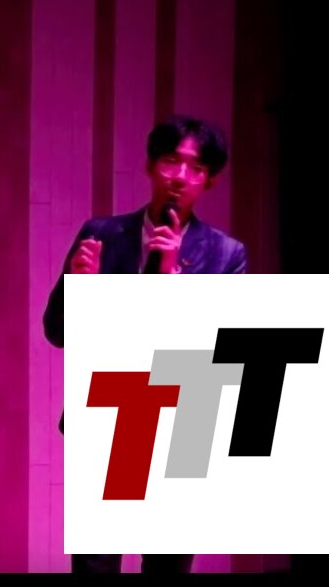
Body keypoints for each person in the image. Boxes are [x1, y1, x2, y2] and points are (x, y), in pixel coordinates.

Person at [42, 114, 248, 574]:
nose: (180, 176)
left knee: (167, 564)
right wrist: (79, 290)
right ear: (151, 166)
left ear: (210, 180)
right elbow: (56, 331)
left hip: (182, 425)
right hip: (107, 414)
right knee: (94, 565)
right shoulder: (101, 234)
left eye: (196, 167)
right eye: (171, 160)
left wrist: (171, 282)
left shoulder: (225, 254)